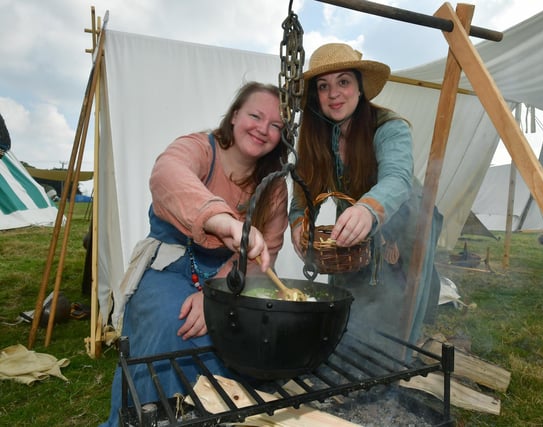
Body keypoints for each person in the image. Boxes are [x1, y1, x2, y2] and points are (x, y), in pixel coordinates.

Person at [100, 81, 289, 426]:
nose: (263, 129)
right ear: (234, 116)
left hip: (228, 281)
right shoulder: (201, 148)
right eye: (255, 116)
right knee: (177, 325)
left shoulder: (274, 185)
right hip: (171, 266)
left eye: (276, 125)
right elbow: (167, 175)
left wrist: (214, 295)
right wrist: (219, 220)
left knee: (246, 334)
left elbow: (268, 249)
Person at [289, 43, 442, 346]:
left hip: (408, 223)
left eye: (343, 81)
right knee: (348, 291)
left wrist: (367, 209)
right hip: (359, 221)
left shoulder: (389, 127)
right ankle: (346, 350)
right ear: (315, 96)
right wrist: (298, 224)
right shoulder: (316, 138)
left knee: (397, 298)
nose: (334, 94)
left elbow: (397, 178)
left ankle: (392, 364)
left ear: (359, 88)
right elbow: (302, 199)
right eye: (323, 86)